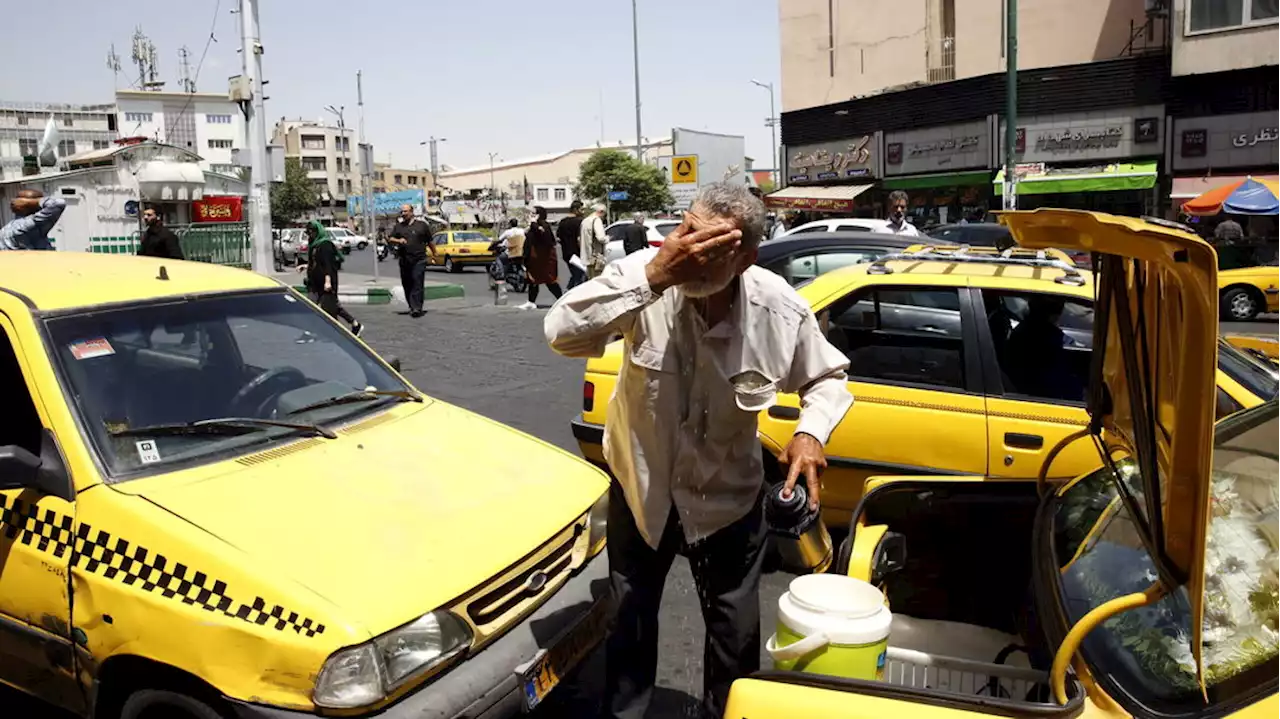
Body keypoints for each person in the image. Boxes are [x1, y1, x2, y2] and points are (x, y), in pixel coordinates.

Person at [545, 182, 853, 719]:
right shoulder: (648, 271)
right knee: (630, 619)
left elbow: (829, 377)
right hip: (642, 489)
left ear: (747, 257)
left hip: (728, 496)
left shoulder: (777, 308)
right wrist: (657, 275)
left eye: (714, 249)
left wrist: (810, 433)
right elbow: (562, 333)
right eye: (689, 233)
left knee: (735, 633)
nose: (694, 254)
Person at [297, 220, 363, 337]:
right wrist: (305, 266)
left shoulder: (325, 244)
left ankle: (315, 332)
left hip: (326, 281)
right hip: (315, 282)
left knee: (330, 307)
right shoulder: (313, 244)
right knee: (312, 304)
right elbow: (316, 262)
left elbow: (327, 264)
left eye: (312, 232)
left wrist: (327, 282)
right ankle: (354, 324)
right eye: (309, 232)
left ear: (318, 231)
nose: (310, 234)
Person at [387, 204, 436, 317]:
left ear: (412, 212)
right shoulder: (399, 226)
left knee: (417, 281)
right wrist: (399, 240)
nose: (404, 214)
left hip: (419, 259)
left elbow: (430, 241)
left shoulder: (422, 226)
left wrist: (434, 254)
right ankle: (411, 305)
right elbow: (390, 238)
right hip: (404, 260)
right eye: (402, 212)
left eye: (406, 211)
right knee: (407, 283)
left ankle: (417, 307)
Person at [518, 206, 563, 310]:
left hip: (543, 259)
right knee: (533, 281)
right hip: (534, 259)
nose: (530, 216)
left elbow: (544, 238)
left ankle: (561, 299)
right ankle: (531, 301)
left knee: (550, 281)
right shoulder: (533, 226)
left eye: (533, 213)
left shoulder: (543, 225)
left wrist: (534, 224)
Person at [558, 200, 587, 289]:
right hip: (578, 254)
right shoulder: (580, 222)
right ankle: (570, 294)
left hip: (567, 254)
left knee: (576, 274)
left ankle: (568, 292)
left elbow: (558, 238)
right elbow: (580, 239)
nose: (583, 212)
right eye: (581, 209)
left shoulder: (562, 222)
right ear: (575, 209)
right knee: (580, 276)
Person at [579, 203, 608, 278]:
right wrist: (607, 238)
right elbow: (601, 238)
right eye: (604, 215)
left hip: (587, 256)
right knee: (598, 279)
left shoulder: (585, 221)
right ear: (601, 212)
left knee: (591, 279)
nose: (603, 218)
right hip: (596, 256)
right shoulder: (596, 220)